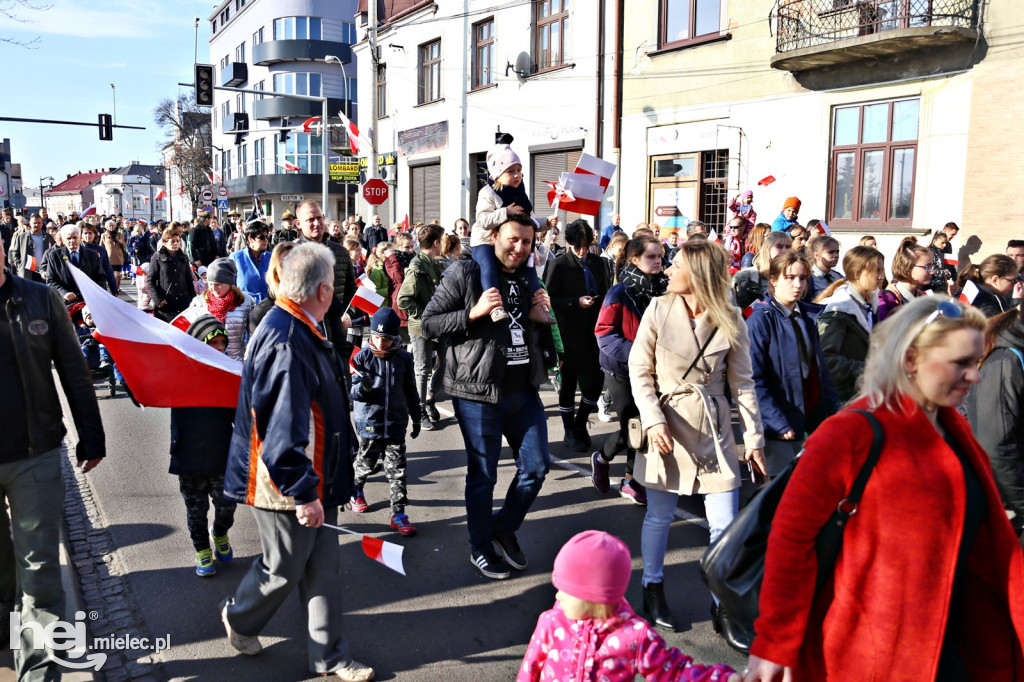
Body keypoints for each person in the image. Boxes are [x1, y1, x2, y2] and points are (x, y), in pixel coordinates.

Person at [745, 296, 1024, 682]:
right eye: (959, 363)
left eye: (975, 362)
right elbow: (791, 541)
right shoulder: (850, 433)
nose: (974, 376)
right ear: (911, 360)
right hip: (871, 658)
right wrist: (774, 643)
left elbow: (992, 546)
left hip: (956, 649)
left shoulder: (957, 431)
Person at [220, 242, 374, 682]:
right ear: (323, 290)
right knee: (284, 566)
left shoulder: (298, 325)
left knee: (323, 569)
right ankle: (241, 617)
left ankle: (330, 656)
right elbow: (282, 430)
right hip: (285, 481)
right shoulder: (288, 338)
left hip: (310, 473)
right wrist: (305, 492)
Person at [629, 239, 765, 650]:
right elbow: (639, 370)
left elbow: (743, 383)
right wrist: (652, 421)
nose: (668, 270)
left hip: (713, 426)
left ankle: (722, 607)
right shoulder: (658, 308)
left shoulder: (731, 318)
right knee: (659, 516)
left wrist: (753, 440)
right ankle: (652, 590)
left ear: (699, 275)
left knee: (725, 524)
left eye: (677, 266)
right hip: (666, 424)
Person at [421, 213, 553, 580]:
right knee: (484, 476)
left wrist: (537, 317)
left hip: (522, 390)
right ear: (494, 236)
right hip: (477, 392)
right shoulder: (466, 273)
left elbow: (521, 328)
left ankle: (502, 526)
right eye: (513, 239)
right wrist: (473, 313)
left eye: (527, 242)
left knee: (538, 466)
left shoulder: (528, 278)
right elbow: (429, 321)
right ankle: (480, 546)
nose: (519, 248)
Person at [0, 234, 106, 681]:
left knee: (41, 571)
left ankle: (38, 669)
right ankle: (7, 609)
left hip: (34, 453)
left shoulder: (39, 300)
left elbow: (73, 371)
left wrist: (92, 436)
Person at [517, 531, 741, 682]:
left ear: (596, 597)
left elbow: (675, 672)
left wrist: (723, 678)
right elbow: (530, 669)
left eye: (567, 589)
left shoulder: (634, 636)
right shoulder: (551, 622)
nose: (558, 595)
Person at [746, 251, 840, 477]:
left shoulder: (807, 317)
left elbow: (820, 372)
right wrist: (775, 421)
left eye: (803, 278)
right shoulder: (761, 319)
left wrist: (833, 412)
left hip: (808, 416)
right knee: (778, 491)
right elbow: (752, 379)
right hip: (776, 424)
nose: (797, 284)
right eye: (790, 277)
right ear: (774, 280)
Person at [593, 235, 667, 505]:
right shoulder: (620, 292)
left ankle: (630, 480)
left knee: (645, 425)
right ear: (634, 259)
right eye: (651, 256)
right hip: (622, 370)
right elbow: (604, 333)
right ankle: (602, 458)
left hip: (654, 370)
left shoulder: (664, 288)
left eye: (660, 255)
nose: (658, 261)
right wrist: (638, 354)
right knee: (633, 426)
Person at [170, 315, 238, 577]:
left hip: (222, 454)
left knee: (227, 507)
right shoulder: (179, 374)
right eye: (214, 343)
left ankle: (220, 533)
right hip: (189, 455)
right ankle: (202, 550)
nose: (220, 348)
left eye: (223, 343)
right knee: (196, 511)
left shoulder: (229, 374)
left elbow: (240, 417)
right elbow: (145, 387)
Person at [349, 307, 421, 536]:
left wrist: (417, 416)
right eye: (377, 337)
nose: (380, 343)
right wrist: (363, 386)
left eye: (387, 339)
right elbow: (352, 392)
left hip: (396, 424)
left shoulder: (404, 358)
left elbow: (411, 389)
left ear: (395, 338)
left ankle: (398, 513)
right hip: (370, 425)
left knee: (397, 471)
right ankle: (355, 490)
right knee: (365, 465)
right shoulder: (362, 357)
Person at [470, 143, 555, 323]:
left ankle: (537, 307)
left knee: (531, 269)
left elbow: (528, 220)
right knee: (489, 267)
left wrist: (546, 222)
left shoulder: (520, 194)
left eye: (519, 170)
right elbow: (482, 220)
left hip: (512, 244)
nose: (517, 175)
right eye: (510, 171)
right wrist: (505, 212)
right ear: (498, 174)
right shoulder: (488, 192)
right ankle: (494, 306)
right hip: (485, 242)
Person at [545, 219, 610, 452]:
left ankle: (581, 422)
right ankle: (568, 430)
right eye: (577, 246)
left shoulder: (601, 263)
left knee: (594, 383)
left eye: (586, 246)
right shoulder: (560, 264)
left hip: (594, 331)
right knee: (569, 384)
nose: (582, 251)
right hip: (568, 331)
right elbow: (549, 299)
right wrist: (575, 302)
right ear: (570, 243)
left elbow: (605, 293)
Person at [816, 246, 885, 403]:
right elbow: (826, 359)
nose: (881, 276)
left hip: (863, 391)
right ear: (857, 273)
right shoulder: (839, 310)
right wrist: (867, 369)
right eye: (876, 271)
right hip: (842, 396)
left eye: (882, 270)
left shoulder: (870, 304)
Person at [397, 224, 447, 431]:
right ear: (436, 243)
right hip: (421, 328)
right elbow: (404, 300)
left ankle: (430, 396)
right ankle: (420, 410)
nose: (443, 244)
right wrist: (425, 315)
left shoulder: (435, 263)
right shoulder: (417, 267)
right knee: (423, 369)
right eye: (442, 240)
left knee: (447, 363)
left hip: (439, 325)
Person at [182, 258, 254, 361]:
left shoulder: (246, 302)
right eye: (211, 284)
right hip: (209, 362)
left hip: (236, 362)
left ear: (229, 283)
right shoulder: (199, 302)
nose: (214, 289)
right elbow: (188, 333)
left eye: (218, 284)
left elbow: (253, 333)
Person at [43, 224, 107, 301]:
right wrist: (64, 293)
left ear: (80, 238)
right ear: (63, 240)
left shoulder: (92, 255)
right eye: (68, 238)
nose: (72, 241)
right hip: (64, 302)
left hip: (88, 300)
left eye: (75, 237)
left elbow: (100, 277)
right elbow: (51, 280)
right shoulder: (54, 255)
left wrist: (91, 292)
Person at [732, 231, 792, 311]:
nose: (784, 251)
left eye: (788, 247)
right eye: (779, 246)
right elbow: (741, 312)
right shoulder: (746, 276)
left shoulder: (795, 276)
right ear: (768, 248)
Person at [149, 226, 196, 322]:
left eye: (178, 241)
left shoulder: (183, 258)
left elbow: (188, 280)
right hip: (166, 303)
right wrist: (158, 299)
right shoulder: (157, 257)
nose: (176, 243)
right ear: (165, 242)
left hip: (183, 302)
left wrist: (193, 299)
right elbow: (151, 280)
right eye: (172, 241)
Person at [878, 237, 931, 321]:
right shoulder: (887, 300)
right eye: (927, 267)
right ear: (908, 269)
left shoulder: (925, 298)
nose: (932, 272)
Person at [230, 220, 271, 303]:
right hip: (243, 305)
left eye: (267, 237)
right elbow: (230, 287)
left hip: (267, 306)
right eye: (262, 237)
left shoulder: (271, 257)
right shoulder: (236, 257)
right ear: (250, 239)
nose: (266, 240)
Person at [8, 213, 54, 281]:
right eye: (34, 223)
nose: (36, 225)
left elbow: (53, 251)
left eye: (39, 223)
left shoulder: (48, 237)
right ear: (30, 223)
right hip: (28, 272)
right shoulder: (22, 237)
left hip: (44, 271)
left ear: (42, 224)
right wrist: (19, 265)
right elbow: (15, 252)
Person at [80, 223, 119, 294]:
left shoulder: (101, 250)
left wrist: (114, 289)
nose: (88, 235)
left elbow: (108, 269)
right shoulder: (78, 249)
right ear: (81, 235)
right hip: (82, 286)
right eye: (85, 233)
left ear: (94, 234)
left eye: (90, 233)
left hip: (99, 285)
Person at [806, 234, 841, 300]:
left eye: (837, 252)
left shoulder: (838, 277)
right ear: (816, 255)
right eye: (831, 252)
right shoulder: (808, 278)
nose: (836, 255)